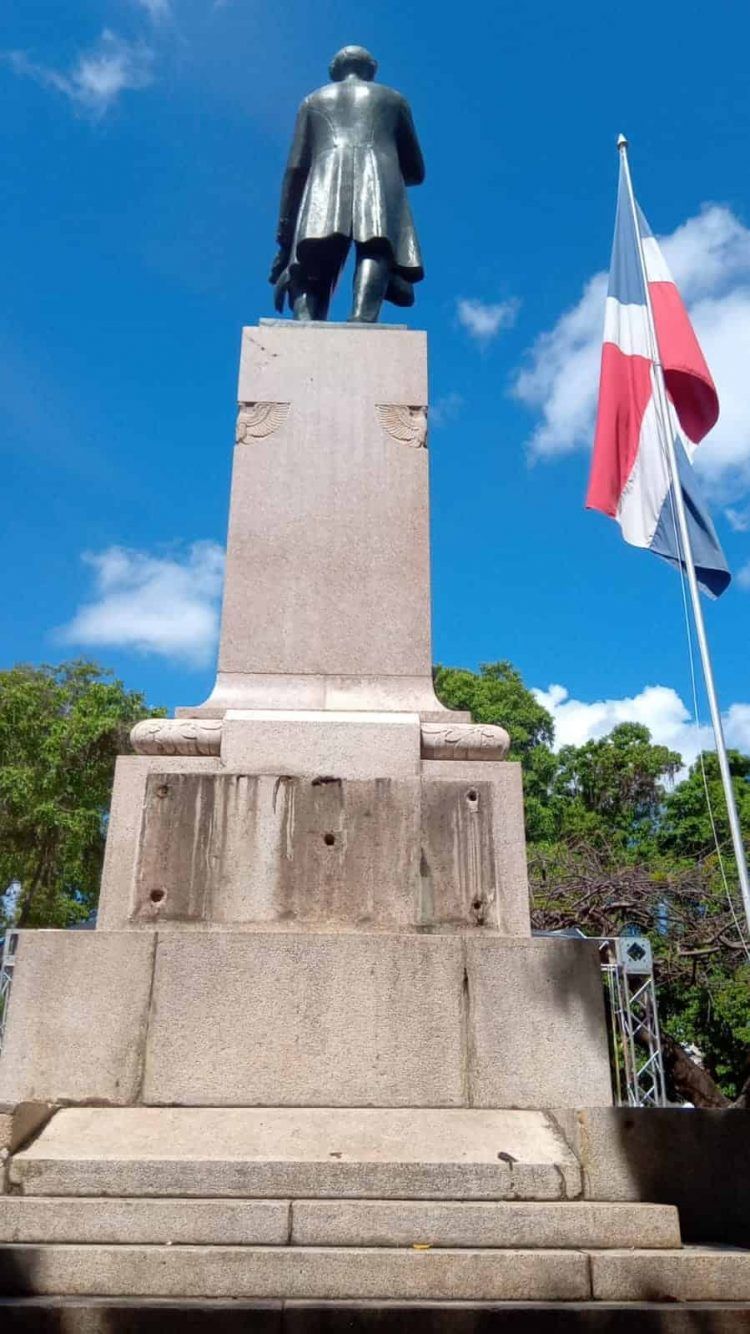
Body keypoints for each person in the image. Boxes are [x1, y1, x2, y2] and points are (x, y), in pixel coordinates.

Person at [269, 46, 425, 323]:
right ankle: (363, 318)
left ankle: (305, 319)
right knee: (376, 246)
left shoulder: (312, 101)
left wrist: (285, 235)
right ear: (372, 68)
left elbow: (295, 168)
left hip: (324, 174)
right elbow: (415, 168)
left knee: (313, 253)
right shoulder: (395, 100)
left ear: (334, 69)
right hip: (381, 172)